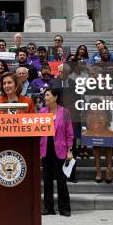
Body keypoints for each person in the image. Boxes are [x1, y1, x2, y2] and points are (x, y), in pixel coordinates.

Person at [40, 88, 73, 217]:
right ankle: (48, 208)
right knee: (47, 180)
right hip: (45, 149)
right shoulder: (42, 112)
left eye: (47, 95)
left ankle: (64, 208)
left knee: (61, 180)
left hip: (60, 149)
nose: (45, 98)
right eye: (45, 96)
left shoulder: (64, 112)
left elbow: (69, 134)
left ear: (55, 97)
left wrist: (69, 151)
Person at [83, 98, 113, 184]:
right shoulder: (85, 134)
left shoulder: (111, 133)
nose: (96, 117)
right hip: (92, 136)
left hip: (108, 134)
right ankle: (98, 171)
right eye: (92, 113)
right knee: (96, 148)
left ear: (107, 116)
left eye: (100, 113)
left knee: (109, 147)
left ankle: (109, 171)